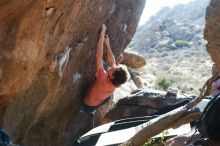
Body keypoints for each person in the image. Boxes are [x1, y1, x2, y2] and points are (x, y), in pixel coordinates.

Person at [82, 24, 128, 114]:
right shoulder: (116, 82)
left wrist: (102, 36)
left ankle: (87, 112)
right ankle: (93, 109)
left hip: (88, 104)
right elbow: (112, 61)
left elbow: (98, 55)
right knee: (108, 98)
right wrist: (107, 44)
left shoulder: (103, 78)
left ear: (113, 77)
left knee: (87, 109)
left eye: (114, 70)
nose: (112, 68)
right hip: (102, 98)